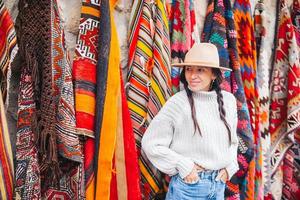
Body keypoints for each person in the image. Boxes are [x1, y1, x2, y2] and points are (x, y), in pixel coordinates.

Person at [141, 43, 239, 200]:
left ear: (214, 74)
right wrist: (183, 165)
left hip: (219, 184)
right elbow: (151, 143)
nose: (192, 76)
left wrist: (230, 167)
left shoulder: (228, 101)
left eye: (200, 70)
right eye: (188, 69)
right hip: (189, 187)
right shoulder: (178, 103)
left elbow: (232, 141)